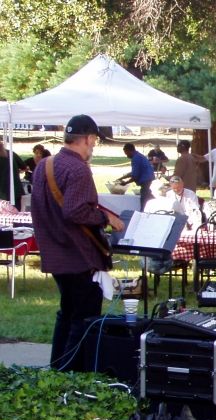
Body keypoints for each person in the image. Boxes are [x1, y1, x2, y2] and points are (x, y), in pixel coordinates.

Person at [29, 114, 124, 371]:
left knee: (67, 313)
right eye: (94, 140)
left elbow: (40, 208)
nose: (94, 145)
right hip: (78, 255)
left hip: (55, 251)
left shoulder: (45, 164)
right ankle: (71, 374)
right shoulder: (78, 168)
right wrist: (105, 218)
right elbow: (74, 211)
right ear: (88, 139)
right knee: (83, 319)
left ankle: (57, 370)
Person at [118, 143, 155, 209]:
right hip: (149, 177)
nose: (127, 156)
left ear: (130, 151)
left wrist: (125, 183)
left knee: (144, 198)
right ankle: (155, 205)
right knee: (148, 194)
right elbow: (134, 172)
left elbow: (135, 176)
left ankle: (143, 211)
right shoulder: (139, 156)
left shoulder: (136, 159)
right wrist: (121, 178)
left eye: (127, 153)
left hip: (146, 179)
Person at [0, 140, 26, 209]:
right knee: (16, 213)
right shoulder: (11, 153)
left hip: (4, 193)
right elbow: (24, 167)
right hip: (15, 191)